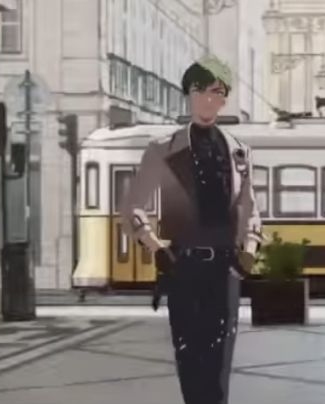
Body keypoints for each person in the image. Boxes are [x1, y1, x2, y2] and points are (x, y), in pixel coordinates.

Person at [119, 55, 262, 404]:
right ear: (189, 95)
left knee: (219, 361)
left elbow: (249, 208)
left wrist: (249, 250)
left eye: (216, 93)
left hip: (225, 269)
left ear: (224, 99)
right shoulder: (162, 150)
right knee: (190, 357)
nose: (207, 100)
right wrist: (155, 246)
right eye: (200, 92)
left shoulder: (239, 152)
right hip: (182, 266)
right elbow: (132, 207)